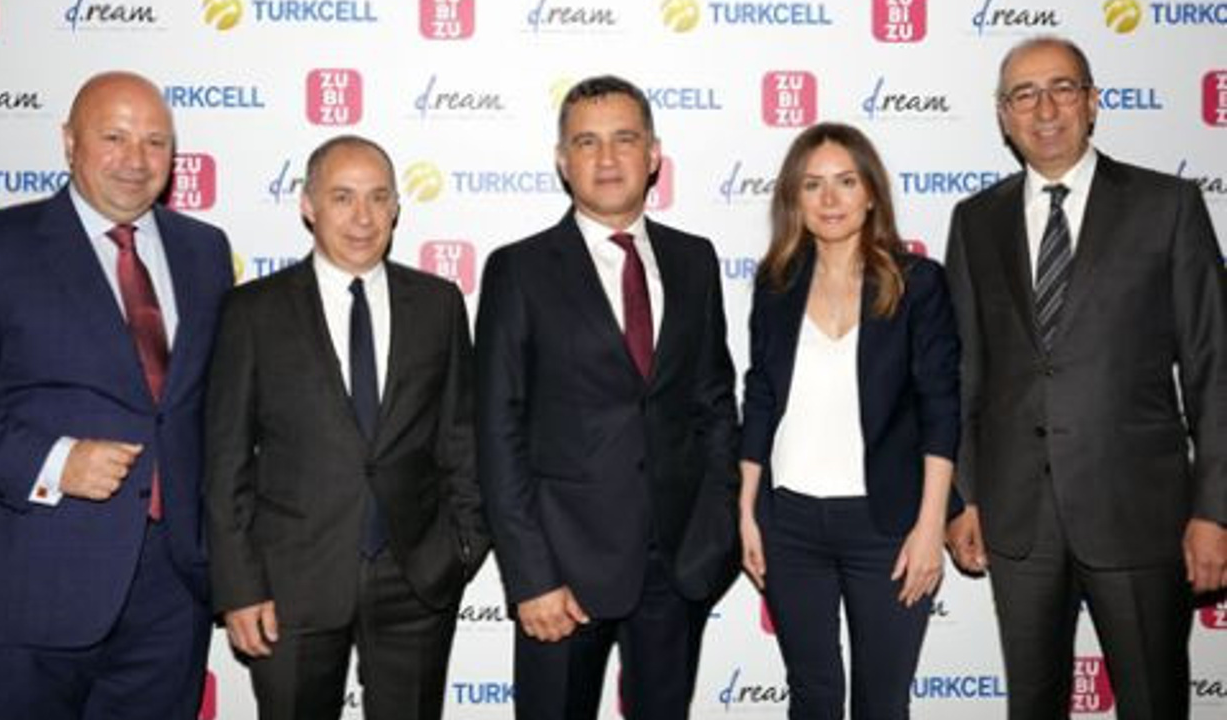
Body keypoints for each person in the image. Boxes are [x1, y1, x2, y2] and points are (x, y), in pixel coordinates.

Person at [945, 35, 1227, 719]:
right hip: (1017, 517)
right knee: (1032, 704)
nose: (1044, 109)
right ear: (1003, 115)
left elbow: (1214, 367)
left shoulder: (1168, 205)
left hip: (1140, 514)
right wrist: (965, 496)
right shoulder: (975, 221)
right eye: (1024, 95)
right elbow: (965, 372)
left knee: (1153, 701)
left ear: (1093, 102)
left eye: (1062, 88)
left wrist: (1215, 511)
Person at [0, 71, 232, 719]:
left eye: (156, 141)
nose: (137, 159)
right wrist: (54, 462)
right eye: (114, 137)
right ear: (69, 142)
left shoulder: (205, 251)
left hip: (171, 592)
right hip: (28, 585)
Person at [475, 75, 739, 719]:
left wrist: (714, 539)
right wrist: (532, 577)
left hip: (677, 568)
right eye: (586, 142)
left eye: (624, 139)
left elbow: (713, 403)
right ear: (562, 161)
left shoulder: (694, 260)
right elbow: (497, 432)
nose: (607, 158)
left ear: (653, 155)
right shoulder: (519, 269)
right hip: (563, 573)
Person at [203, 134, 489, 720]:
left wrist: (461, 548)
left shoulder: (438, 304)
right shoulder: (253, 311)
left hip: (416, 580)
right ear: (308, 205)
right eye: (342, 197)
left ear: (396, 208)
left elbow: (462, 439)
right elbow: (225, 460)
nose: (363, 217)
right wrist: (240, 586)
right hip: (290, 586)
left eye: (378, 197)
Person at [738, 122, 961, 719]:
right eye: (813, 185)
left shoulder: (918, 284)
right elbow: (760, 396)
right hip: (788, 523)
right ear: (795, 198)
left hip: (887, 525)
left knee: (881, 703)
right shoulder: (776, 284)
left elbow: (941, 407)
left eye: (846, 181)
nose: (830, 199)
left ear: (871, 194)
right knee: (812, 697)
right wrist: (746, 509)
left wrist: (930, 525)